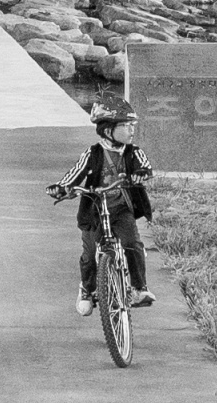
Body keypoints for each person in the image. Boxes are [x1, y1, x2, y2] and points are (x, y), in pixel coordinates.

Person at [49, 97, 155, 315]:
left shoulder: (133, 152)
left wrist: (140, 174)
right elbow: (75, 173)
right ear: (108, 130)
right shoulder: (93, 153)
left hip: (121, 208)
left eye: (132, 125)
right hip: (94, 211)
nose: (131, 130)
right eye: (125, 125)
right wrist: (61, 187)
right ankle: (87, 290)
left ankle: (139, 288)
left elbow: (145, 167)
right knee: (90, 254)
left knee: (132, 244)